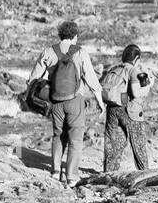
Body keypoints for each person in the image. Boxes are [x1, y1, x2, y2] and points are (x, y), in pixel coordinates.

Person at [27, 20, 103, 187]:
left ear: (60, 35)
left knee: (58, 135)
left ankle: (55, 171)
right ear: (75, 36)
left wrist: (38, 96)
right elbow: (92, 80)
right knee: (75, 139)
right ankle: (71, 177)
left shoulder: (48, 51)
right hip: (75, 101)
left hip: (55, 101)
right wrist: (100, 102)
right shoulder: (80, 52)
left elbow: (32, 79)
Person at [101, 44, 151, 172]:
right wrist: (147, 87)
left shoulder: (114, 68)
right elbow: (135, 93)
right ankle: (144, 173)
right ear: (136, 58)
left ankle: (109, 174)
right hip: (129, 111)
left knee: (113, 144)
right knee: (138, 144)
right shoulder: (134, 71)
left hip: (112, 109)